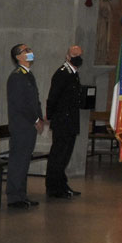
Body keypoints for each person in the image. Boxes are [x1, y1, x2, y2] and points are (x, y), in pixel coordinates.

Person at [5, 43, 45, 208]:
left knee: (24, 161)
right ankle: (14, 197)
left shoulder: (28, 75)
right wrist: (36, 120)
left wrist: (40, 118)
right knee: (18, 161)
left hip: (29, 126)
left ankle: (21, 194)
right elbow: (21, 104)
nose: (30, 52)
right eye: (26, 50)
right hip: (22, 126)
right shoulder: (16, 76)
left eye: (30, 49)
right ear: (18, 57)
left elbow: (34, 100)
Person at [45, 45, 84, 198]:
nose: (77, 57)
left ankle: (62, 184)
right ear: (67, 56)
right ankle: (54, 188)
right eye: (74, 54)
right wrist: (50, 116)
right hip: (62, 121)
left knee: (65, 155)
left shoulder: (73, 73)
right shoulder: (62, 73)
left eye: (80, 55)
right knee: (58, 155)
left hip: (71, 121)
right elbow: (53, 96)